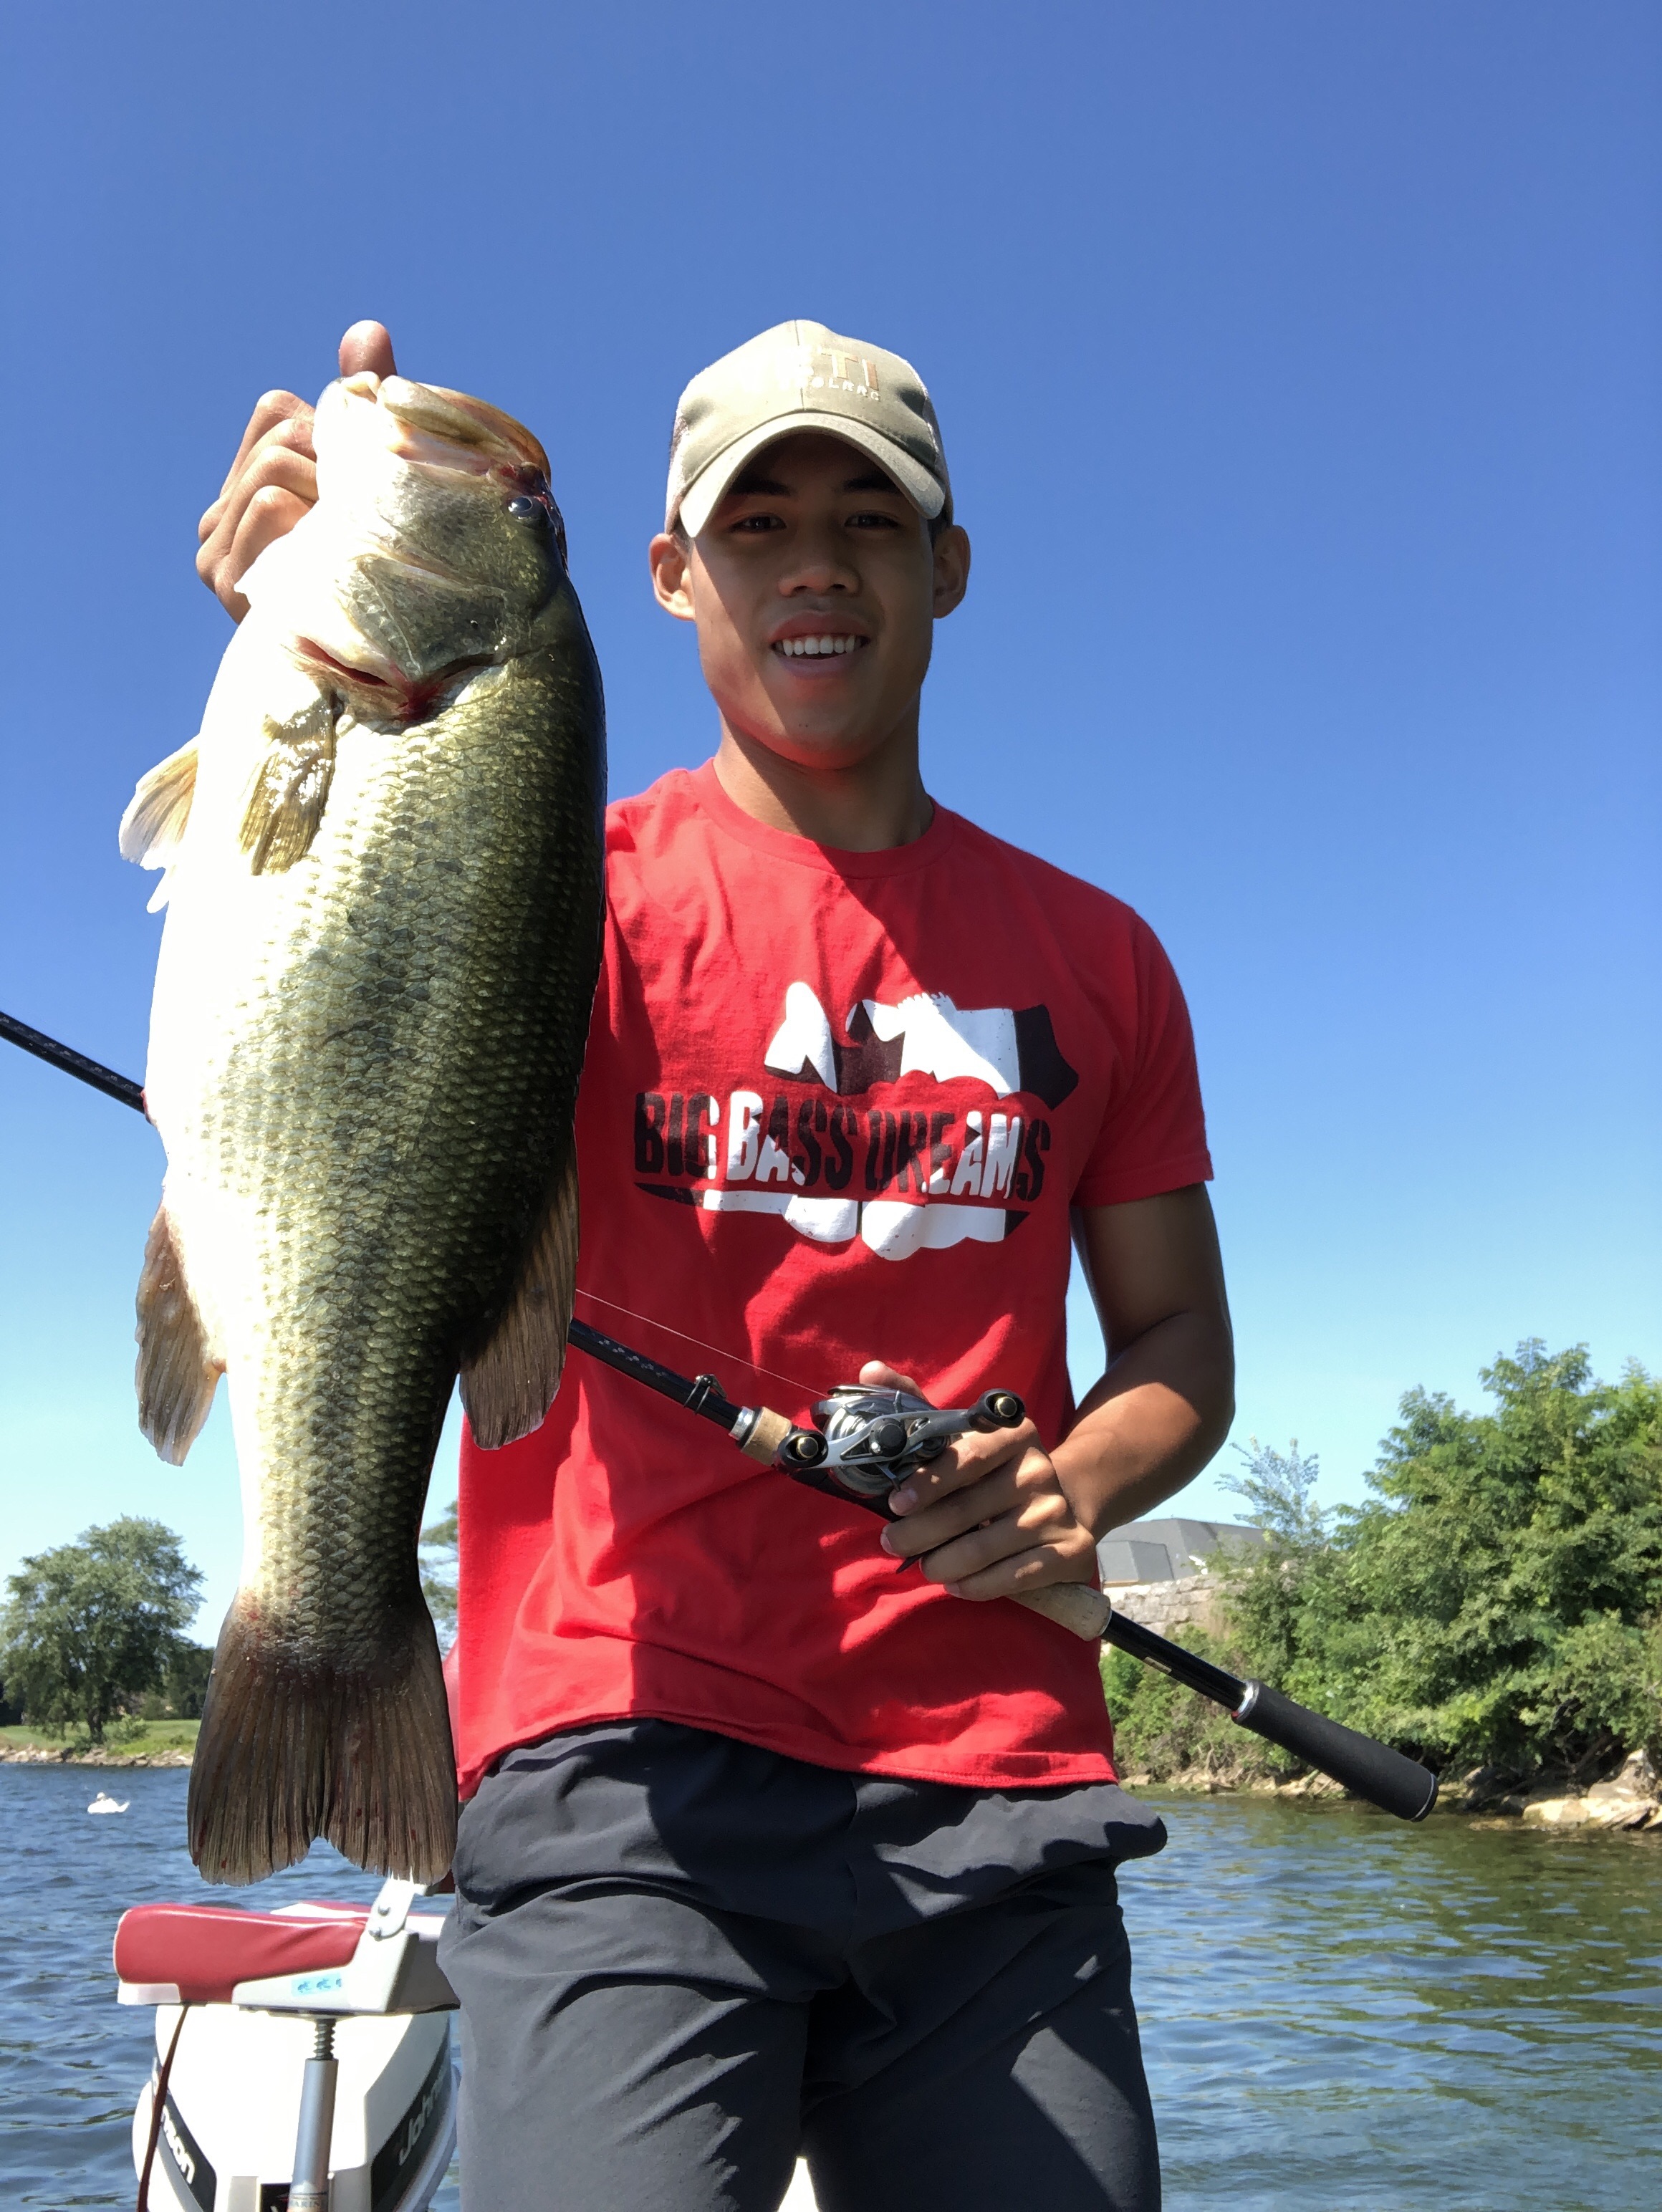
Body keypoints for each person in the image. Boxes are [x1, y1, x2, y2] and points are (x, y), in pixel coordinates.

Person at [200, 317, 1234, 2211]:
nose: (816, 565)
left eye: (870, 517)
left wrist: (1076, 1480)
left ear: (951, 568)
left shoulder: (1105, 955)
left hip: (998, 1785)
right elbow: (314, 1002)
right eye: (756, 527)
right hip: (620, 1772)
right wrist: (287, 611)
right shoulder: (544, 883)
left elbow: (1178, 1347)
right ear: (675, 575)